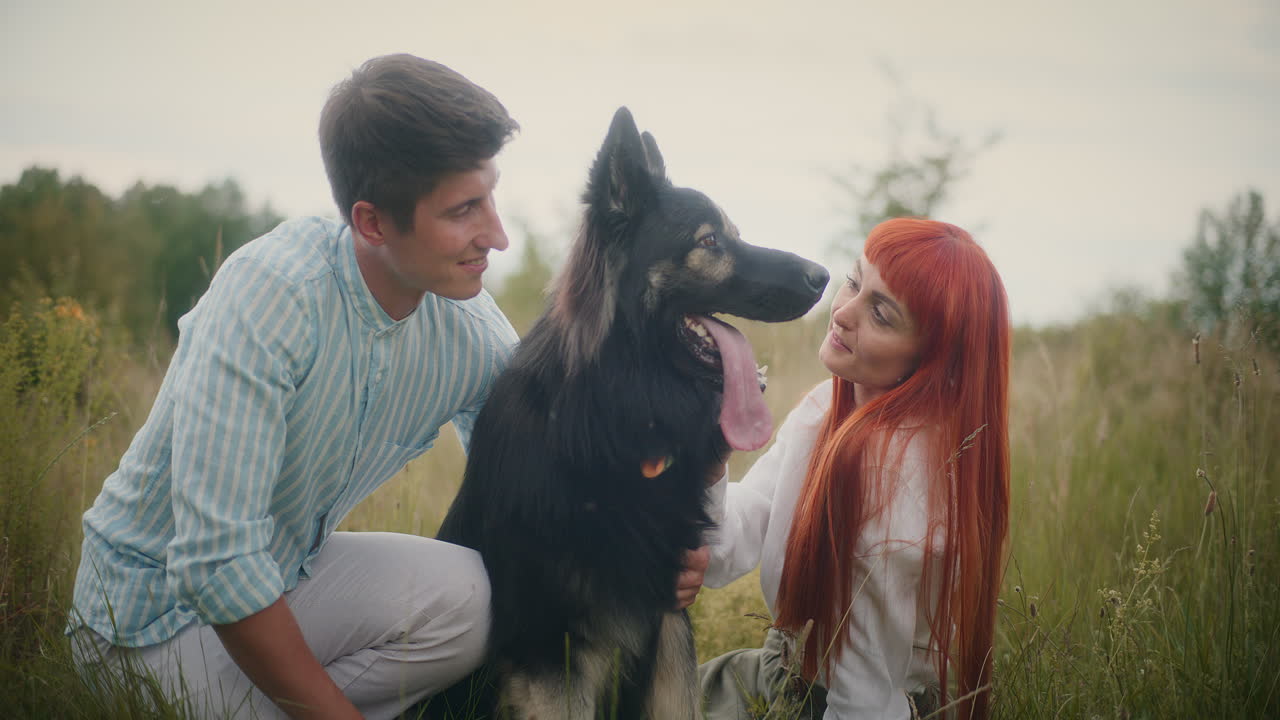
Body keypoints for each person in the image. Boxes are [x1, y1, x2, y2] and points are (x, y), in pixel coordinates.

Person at [66, 53, 709, 720]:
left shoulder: (468, 327)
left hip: (287, 575)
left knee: (470, 598)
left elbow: (551, 472)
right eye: (463, 210)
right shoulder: (271, 297)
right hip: (143, 625)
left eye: (490, 196)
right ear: (372, 223)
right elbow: (215, 565)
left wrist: (656, 547)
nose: (498, 235)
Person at [698, 218, 1011, 720]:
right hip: (777, 672)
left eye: (881, 314)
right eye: (854, 281)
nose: (842, 313)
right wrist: (712, 453)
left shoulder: (896, 486)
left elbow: (865, 701)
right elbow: (723, 549)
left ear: (929, 358)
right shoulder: (825, 409)